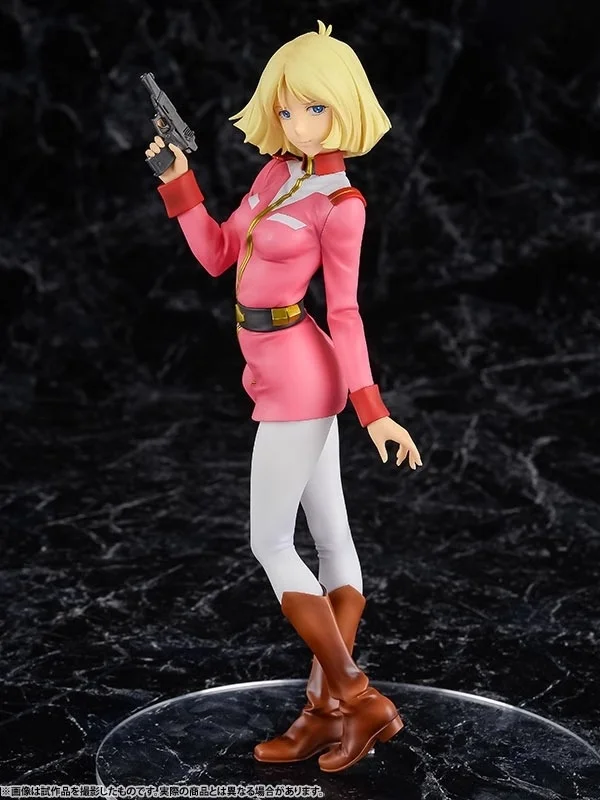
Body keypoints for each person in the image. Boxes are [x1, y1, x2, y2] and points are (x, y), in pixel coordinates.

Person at [146, 20, 422, 773]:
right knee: (331, 537)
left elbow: (347, 312)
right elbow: (218, 254)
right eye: (289, 107)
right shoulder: (276, 176)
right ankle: (322, 713)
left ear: (345, 108)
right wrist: (178, 181)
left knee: (270, 541)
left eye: (316, 108)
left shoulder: (342, 203)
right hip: (273, 364)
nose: (299, 122)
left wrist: (373, 410)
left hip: (305, 373)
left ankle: (358, 696)